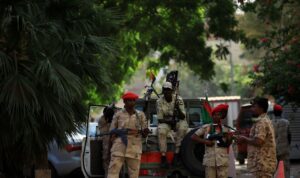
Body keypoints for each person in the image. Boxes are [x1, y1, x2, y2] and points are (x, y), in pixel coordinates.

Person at [107, 91, 149, 178]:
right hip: (119, 147)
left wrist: (145, 132)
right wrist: (108, 151)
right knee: (112, 173)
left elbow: (144, 133)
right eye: (129, 100)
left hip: (134, 148)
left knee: (134, 175)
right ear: (124, 102)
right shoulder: (118, 114)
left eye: (133, 100)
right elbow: (111, 133)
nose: (132, 102)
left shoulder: (140, 115)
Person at [236, 97, 277, 178]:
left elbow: (258, 141)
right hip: (262, 164)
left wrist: (244, 139)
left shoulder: (261, 122)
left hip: (262, 164)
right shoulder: (264, 119)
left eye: (254, 106)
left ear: (261, 108)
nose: (252, 109)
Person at [191, 104, 233, 178]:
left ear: (221, 117)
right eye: (215, 115)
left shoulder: (225, 129)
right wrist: (206, 141)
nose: (216, 117)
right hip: (210, 160)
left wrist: (229, 138)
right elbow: (193, 137)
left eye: (218, 115)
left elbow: (228, 144)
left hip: (222, 159)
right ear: (212, 116)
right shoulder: (206, 128)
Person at [157, 81, 188, 168]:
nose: (167, 92)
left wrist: (177, 108)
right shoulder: (159, 101)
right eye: (165, 90)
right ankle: (163, 157)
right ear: (163, 91)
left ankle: (176, 155)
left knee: (183, 127)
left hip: (178, 121)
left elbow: (183, 117)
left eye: (169, 90)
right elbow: (160, 119)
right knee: (161, 130)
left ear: (172, 91)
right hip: (166, 122)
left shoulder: (178, 99)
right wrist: (170, 122)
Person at [272, 104, 291, 178]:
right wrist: (288, 146)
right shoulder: (286, 122)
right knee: (285, 168)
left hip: (274, 150)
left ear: (273, 112)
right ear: (281, 112)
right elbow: (289, 136)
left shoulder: (270, 122)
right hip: (284, 150)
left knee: (274, 169)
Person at [98, 105, 115, 177]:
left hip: (114, 144)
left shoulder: (115, 119)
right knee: (106, 160)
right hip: (106, 143)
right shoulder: (103, 120)